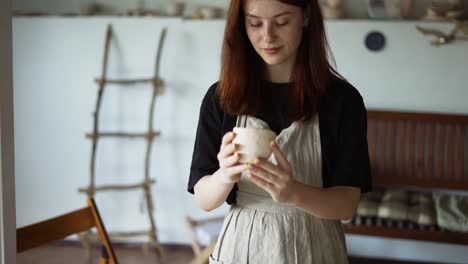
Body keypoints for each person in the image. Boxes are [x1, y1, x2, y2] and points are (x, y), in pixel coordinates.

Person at [187, 0, 371, 263]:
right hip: (243, 247)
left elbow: (346, 205)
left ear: (306, 16)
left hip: (314, 248)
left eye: (282, 22)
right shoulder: (222, 98)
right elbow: (204, 199)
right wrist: (225, 175)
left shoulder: (342, 100)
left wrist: (294, 193)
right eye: (254, 23)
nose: (267, 36)